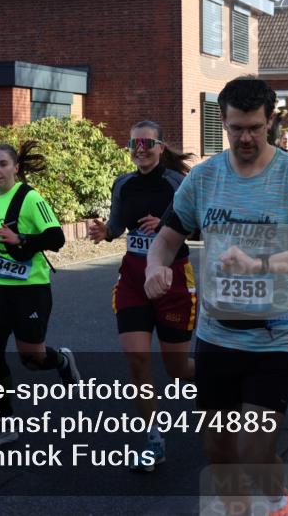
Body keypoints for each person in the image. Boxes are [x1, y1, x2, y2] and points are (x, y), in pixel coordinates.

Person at [144, 76, 288, 516]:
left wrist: (262, 264)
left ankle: (279, 501)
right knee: (218, 451)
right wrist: (156, 265)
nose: (245, 138)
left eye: (255, 128)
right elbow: (168, 237)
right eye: (236, 128)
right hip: (216, 335)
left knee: (254, 453)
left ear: (270, 121)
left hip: (275, 335)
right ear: (223, 122)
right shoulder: (204, 177)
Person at [88, 121, 197, 471]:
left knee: (177, 369)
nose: (140, 149)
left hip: (172, 278)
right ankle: (154, 440)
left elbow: (198, 226)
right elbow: (117, 225)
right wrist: (105, 231)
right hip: (134, 278)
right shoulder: (123, 183)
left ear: (161, 147)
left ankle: (224, 378)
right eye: (134, 143)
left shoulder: (178, 183)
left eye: (148, 143)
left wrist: (165, 227)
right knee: (137, 359)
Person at [0, 141, 76, 447]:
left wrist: (21, 238)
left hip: (30, 290)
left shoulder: (30, 198)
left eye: (2, 164)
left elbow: (56, 238)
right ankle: (5, 421)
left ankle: (61, 360)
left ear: (15, 168)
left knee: (32, 359)